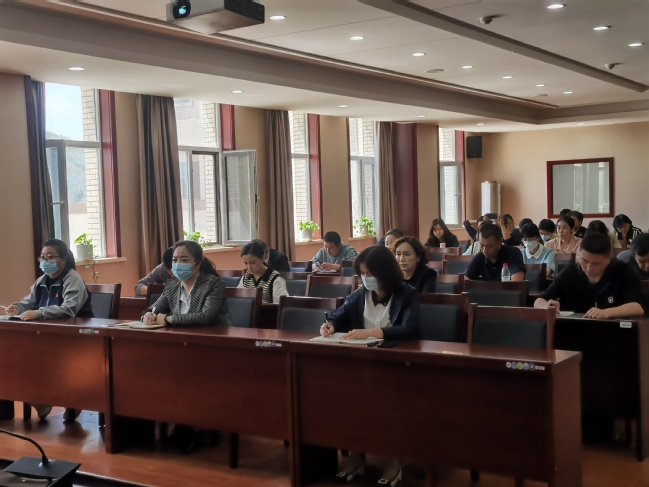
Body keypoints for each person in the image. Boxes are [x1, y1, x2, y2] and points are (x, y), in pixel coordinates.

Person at [320, 245, 420, 485]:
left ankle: (394, 460)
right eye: (362, 274)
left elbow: (411, 328)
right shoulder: (359, 294)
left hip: (398, 365)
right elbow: (338, 315)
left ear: (384, 272)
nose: (366, 278)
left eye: (370, 273)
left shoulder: (406, 293)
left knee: (386, 401)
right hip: (362, 364)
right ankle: (357, 455)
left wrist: (373, 332)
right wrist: (330, 325)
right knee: (346, 397)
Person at [5, 239, 93, 422]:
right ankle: (40, 399)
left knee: (47, 359)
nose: (45, 261)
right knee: (17, 355)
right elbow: (28, 302)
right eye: (42, 257)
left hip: (75, 336)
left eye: (50, 257)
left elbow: (69, 309)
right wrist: (17, 308)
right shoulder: (41, 281)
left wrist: (39, 313)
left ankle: (70, 399)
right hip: (47, 334)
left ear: (63, 259)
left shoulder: (72, 279)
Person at [535, 234, 646, 319]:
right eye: (585, 260)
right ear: (579, 255)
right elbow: (539, 300)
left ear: (609, 259)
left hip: (612, 331)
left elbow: (638, 306)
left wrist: (606, 312)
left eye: (596, 264)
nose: (589, 267)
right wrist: (548, 307)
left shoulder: (623, 271)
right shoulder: (571, 272)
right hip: (574, 331)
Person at [142, 240, 232, 327]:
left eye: (184, 260)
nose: (178, 264)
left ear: (198, 264)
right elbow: (154, 308)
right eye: (174, 260)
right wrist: (147, 315)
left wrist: (168, 319)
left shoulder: (214, 284)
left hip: (213, 335)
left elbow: (205, 317)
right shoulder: (172, 285)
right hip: (182, 335)